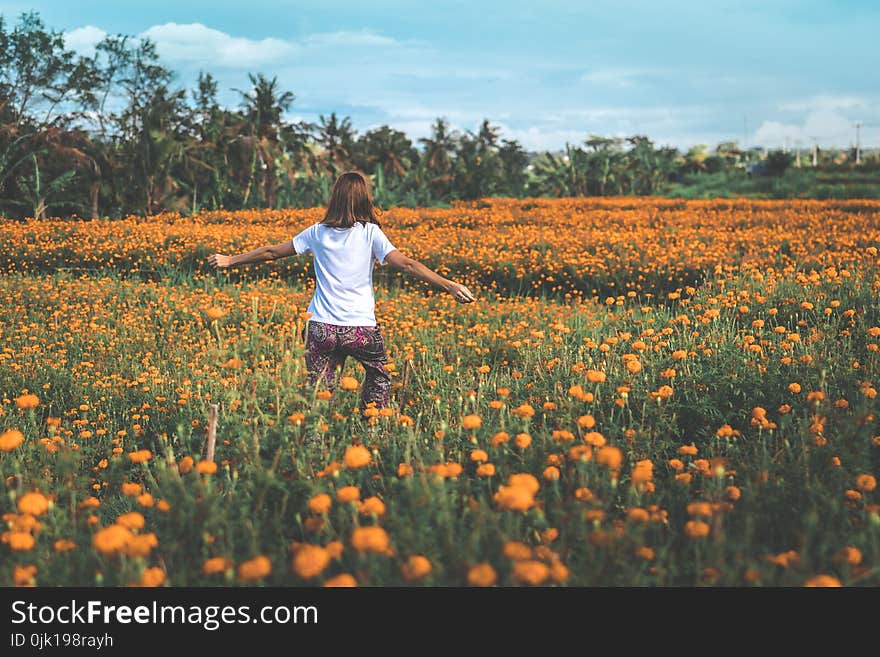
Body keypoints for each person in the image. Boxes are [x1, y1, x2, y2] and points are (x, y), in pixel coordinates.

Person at [207, 170, 475, 418]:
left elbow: (271, 253)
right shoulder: (371, 233)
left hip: (321, 327)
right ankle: (370, 429)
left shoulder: (316, 232)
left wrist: (230, 260)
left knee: (319, 391)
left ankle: (315, 442)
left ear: (334, 198)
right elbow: (407, 264)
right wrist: (449, 285)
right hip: (360, 329)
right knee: (380, 375)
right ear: (364, 200)